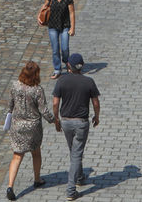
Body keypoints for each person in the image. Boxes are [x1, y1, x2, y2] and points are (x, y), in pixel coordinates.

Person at [51, 53, 100, 201]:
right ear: (82, 66)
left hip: (66, 121)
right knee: (76, 154)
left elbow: (55, 103)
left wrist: (56, 120)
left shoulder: (61, 81)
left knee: (74, 151)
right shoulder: (89, 82)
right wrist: (96, 117)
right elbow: (96, 103)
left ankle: (79, 177)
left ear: (69, 66)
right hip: (81, 122)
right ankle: (71, 190)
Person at [5, 62, 54, 200]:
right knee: (36, 153)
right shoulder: (37, 90)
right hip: (33, 127)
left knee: (17, 156)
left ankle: (10, 186)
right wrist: (54, 121)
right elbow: (44, 110)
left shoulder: (15, 86)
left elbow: (10, 105)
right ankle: (37, 179)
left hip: (17, 126)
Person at [44, 0, 76, 79]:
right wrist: (40, 17)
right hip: (53, 26)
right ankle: (57, 69)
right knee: (55, 49)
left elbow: (72, 13)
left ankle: (66, 61)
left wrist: (73, 28)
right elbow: (45, 6)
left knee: (65, 48)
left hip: (65, 26)